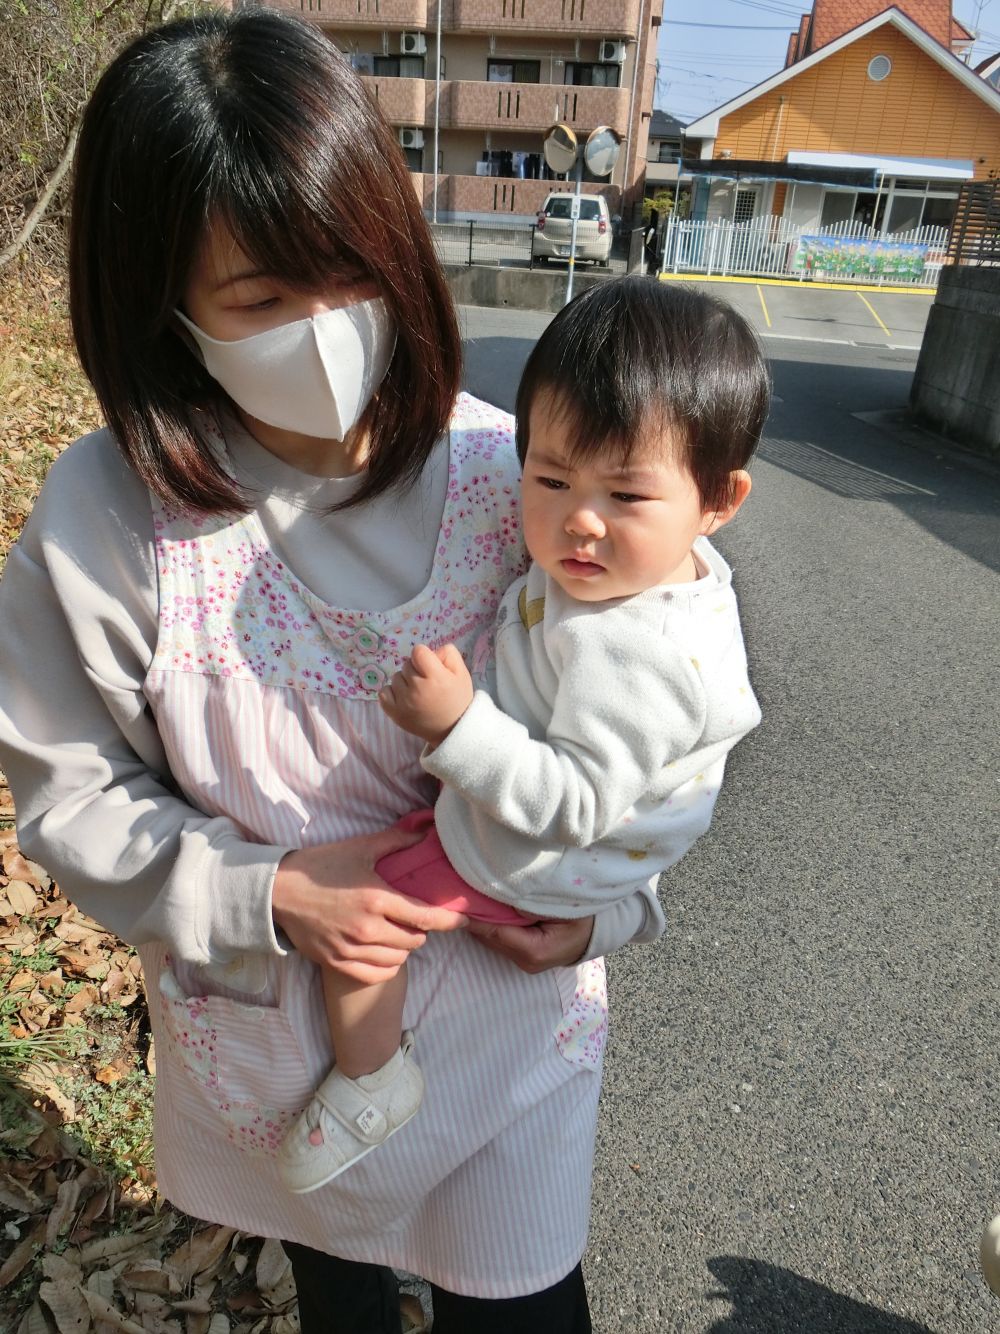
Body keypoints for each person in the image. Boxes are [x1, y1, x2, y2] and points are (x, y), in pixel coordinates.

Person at [0, 12, 678, 1332]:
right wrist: (270, 890)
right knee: (341, 1289)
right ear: (162, 302)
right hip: (280, 1043)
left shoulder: (524, 483)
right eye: (260, 299)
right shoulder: (107, 515)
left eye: (351, 272)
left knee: (527, 1300)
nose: (322, 329)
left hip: (510, 1023)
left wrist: (609, 910)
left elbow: (655, 729)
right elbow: (67, 784)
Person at [280, 276, 768, 1193]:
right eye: (547, 477)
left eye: (626, 494)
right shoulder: (645, 575)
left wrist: (458, 725)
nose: (578, 519)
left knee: (364, 925)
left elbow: (574, 805)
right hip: (578, 842)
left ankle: (369, 1082)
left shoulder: (640, 654)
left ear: (719, 499)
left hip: (546, 854)